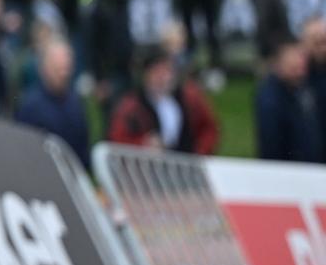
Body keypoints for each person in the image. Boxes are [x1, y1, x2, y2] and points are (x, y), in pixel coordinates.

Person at [108, 48, 220, 154]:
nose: (163, 78)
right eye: (157, 72)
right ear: (145, 75)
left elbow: (209, 129)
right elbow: (116, 140)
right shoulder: (131, 107)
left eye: (167, 71)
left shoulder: (190, 98)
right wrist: (142, 144)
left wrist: (199, 152)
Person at [16, 37, 92, 168]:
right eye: (57, 70)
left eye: (66, 70)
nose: (63, 75)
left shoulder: (76, 102)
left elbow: (83, 150)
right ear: (44, 69)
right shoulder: (30, 106)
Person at [255, 38, 325, 162]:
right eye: (294, 68)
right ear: (278, 66)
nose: (300, 72)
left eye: (302, 67)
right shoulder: (271, 101)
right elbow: (271, 146)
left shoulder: (303, 87)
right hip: (292, 170)